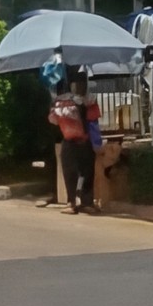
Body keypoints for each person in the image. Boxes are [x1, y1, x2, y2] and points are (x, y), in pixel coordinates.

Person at [49, 73, 98, 213]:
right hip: (82, 141)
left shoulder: (60, 102)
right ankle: (83, 203)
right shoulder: (87, 101)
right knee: (84, 172)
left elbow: (53, 121)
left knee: (74, 173)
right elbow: (93, 121)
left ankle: (75, 203)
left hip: (72, 141)